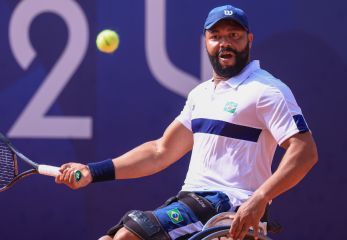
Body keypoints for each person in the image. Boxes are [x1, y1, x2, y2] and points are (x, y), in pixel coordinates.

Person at [56, 5, 318, 240]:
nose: (224, 43)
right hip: (193, 202)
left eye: (234, 35)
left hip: (229, 207)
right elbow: (160, 151)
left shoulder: (267, 90)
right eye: (216, 36)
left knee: (127, 238)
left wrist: (260, 198)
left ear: (249, 40)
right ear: (206, 42)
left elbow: (305, 151)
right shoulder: (200, 94)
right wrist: (92, 172)